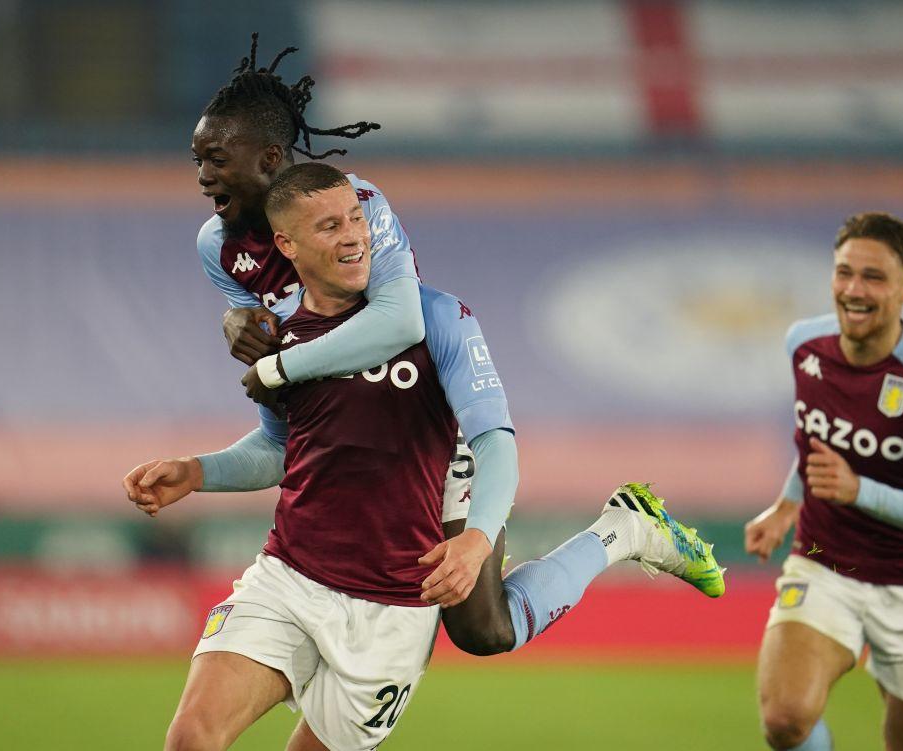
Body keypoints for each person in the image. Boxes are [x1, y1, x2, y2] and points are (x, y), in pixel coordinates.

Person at [126, 164, 724, 750]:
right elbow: (279, 450)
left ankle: (621, 532)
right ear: (286, 243)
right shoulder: (276, 335)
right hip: (288, 578)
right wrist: (198, 471)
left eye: (357, 219)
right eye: (330, 226)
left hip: (393, 605)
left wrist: (478, 537)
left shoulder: (438, 317)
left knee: (487, 630)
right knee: (191, 740)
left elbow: (497, 443)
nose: (355, 235)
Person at [188, 35, 724, 660]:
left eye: (217, 159)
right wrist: (239, 325)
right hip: (350, 427)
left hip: (424, 420)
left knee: (482, 629)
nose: (202, 175)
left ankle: (624, 530)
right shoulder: (215, 247)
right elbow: (272, 377)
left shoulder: (354, 202)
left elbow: (398, 323)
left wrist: (279, 364)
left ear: (270, 158)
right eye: (198, 158)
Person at [744, 212, 903, 751]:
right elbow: (816, 443)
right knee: (784, 718)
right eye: (844, 272)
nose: (854, 289)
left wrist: (859, 491)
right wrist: (786, 506)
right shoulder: (804, 345)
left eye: (873, 277)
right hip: (827, 561)